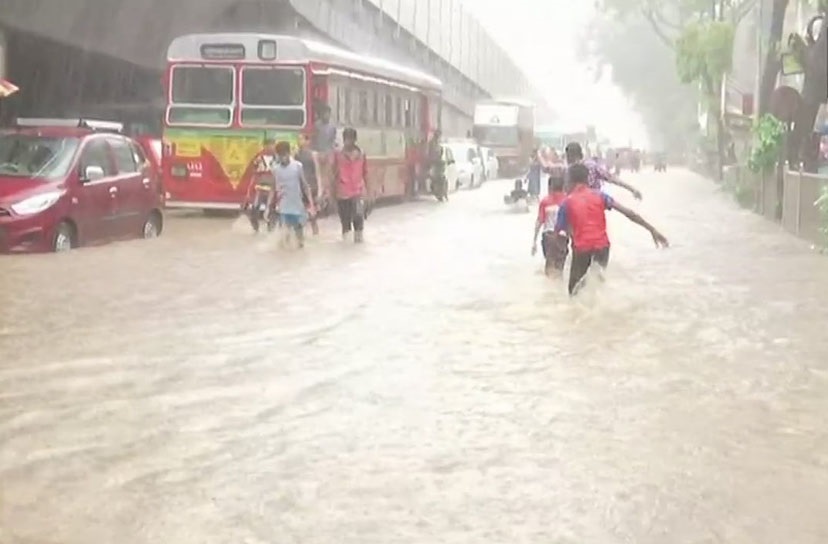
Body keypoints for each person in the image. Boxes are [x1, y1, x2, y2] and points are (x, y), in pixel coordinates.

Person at [555, 163, 668, 296]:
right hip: (603, 248)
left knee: (574, 293)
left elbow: (559, 235)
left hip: (582, 249)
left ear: (570, 182)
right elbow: (629, 213)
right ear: (587, 180)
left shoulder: (566, 203)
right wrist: (652, 230)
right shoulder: (601, 196)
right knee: (597, 286)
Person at [266, 141, 315, 249]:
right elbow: (272, 188)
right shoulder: (276, 170)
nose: (283, 158)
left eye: (285, 154)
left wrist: (311, 205)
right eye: (281, 155)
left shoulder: (297, 167)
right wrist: (268, 207)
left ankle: (299, 254)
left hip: (297, 206)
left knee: (299, 236)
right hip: (283, 207)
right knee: (285, 235)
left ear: (289, 153)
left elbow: (305, 186)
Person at [564, 142, 642, 200]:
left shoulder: (589, 166)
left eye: (568, 156)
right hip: (594, 205)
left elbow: (611, 178)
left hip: (582, 207)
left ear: (571, 156)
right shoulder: (590, 166)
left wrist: (632, 189)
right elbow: (612, 178)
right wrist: (632, 189)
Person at [332, 127, 369, 243]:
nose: (348, 142)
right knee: (345, 221)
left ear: (354, 140)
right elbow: (332, 174)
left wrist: (369, 193)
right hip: (342, 193)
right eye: (346, 139)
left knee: (358, 217)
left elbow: (366, 173)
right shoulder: (338, 155)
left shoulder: (361, 154)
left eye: (350, 139)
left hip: (357, 192)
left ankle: (358, 243)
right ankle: (346, 245)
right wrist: (331, 193)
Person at [531, 175, 568, 276]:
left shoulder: (545, 201)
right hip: (562, 238)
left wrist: (534, 241)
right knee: (559, 268)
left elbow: (539, 221)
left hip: (548, 237)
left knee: (549, 267)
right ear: (564, 186)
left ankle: (550, 288)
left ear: (550, 187)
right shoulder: (568, 201)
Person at [244, 139, 278, 233]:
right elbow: (253, 175)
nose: (272, 147)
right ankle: (256, 230)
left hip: (272, 189)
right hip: (259, 188)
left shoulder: (278, 159)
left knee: (271, 210)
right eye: (271, 145)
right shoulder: (258, 159)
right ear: (265, 146)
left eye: (273, 145)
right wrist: (248, 192)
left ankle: (271, 231)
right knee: (254, 210)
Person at [295, 134, 322, 235]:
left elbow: (318, 172)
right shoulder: (296, 155)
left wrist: (320, 190)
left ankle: (315, 234)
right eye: (298, 139)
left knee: (313, 215)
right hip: (300, 187)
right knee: (299, 213)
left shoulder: (313, 154)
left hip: (312, 187)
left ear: (308, 141)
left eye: (301, 139)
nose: (299, 142)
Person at [312, 104, 337, 213]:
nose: (327, 115)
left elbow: (332, 142)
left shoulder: (332, 127)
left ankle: (327, 199)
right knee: (319, 177)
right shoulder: (316, 126)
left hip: (328, 153)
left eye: (328, 113)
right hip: (318, 152)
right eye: (325, 113)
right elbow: (314, 140)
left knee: (328, 178)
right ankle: (320, 198)